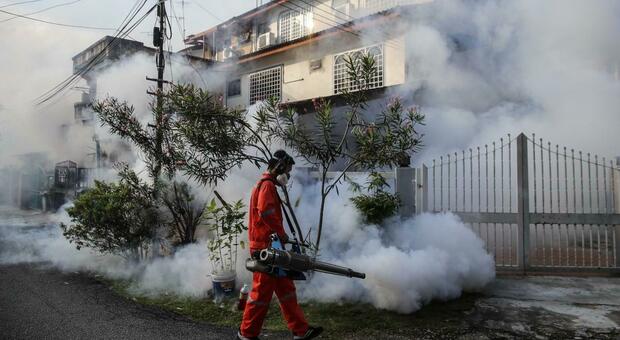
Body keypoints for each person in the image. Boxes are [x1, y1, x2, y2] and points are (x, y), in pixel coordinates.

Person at [237, 150, 323, 340]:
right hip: (265, 249)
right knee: (260, 295)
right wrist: (281, 233)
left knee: (286, 290)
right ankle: (246, 335)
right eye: (288, 170)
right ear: (280, 167)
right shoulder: (267, 185)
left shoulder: (266, 185)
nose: (289, 175)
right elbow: (265, 212)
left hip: (272, 247)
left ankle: (301, 331)